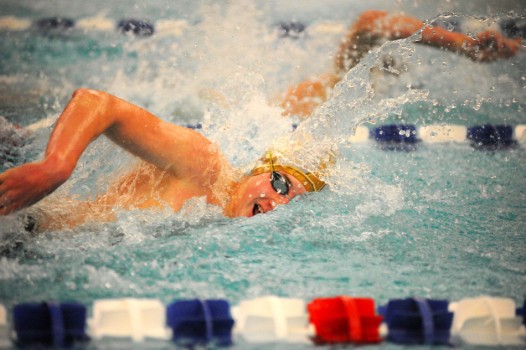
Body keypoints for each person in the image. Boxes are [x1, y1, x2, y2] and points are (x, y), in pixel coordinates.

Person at [0, 11, 521, 231]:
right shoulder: (208, 164)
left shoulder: (215, 212)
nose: (275, 201)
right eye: (279, 182)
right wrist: (55, 165)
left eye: (287, 201)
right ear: (262, 164)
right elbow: (370, 27)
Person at [280, 10, 522, 117]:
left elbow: (375, 23)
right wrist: (461, 43)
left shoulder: (363, 91)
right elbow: (369, 22)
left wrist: (461, 44)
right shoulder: (330, 92)